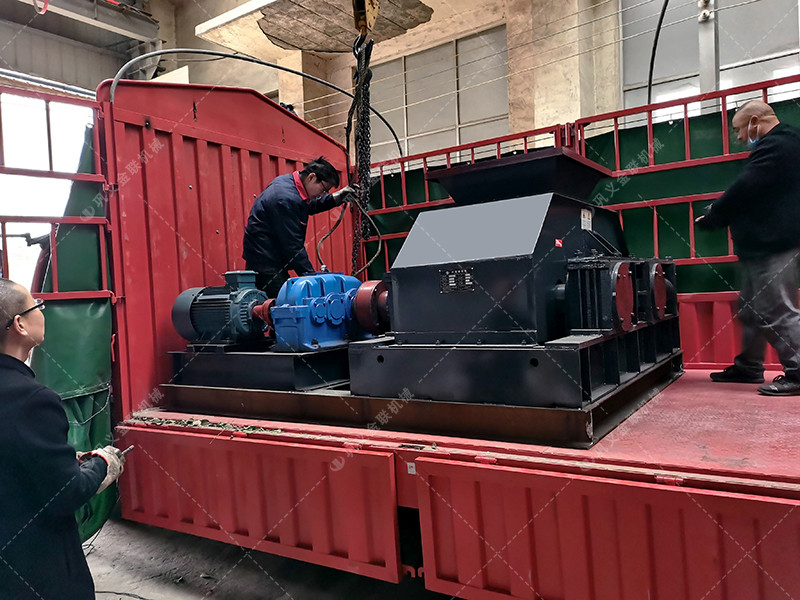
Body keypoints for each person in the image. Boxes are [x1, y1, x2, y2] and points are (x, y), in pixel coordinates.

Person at [0, 278, 125, 600]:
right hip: (33, 574)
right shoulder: (32, 400)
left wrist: (62, 461)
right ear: (19, 325)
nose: (43, 312)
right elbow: (66, 494)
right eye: (37, 306)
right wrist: (102, 463)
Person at [696, 100, 800, 396]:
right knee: (752, 309)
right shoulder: (782, 144)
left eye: (739, 129)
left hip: (773, 244)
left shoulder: (779, 145)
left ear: (755, 121)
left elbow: (746, 186)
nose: (741, 137)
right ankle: (749, 366)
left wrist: (716, 213)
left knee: (777, 308)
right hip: (762, 245)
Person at [242, 157, 358, 298]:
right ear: (311, 177)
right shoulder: (284, 199)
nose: (322, 194)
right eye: (323, 190)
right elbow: (293, 247)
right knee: (285, 303)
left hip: (268, 259)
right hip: (266, 265)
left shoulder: (289, 183)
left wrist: (335, 199)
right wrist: (312, 279)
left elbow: (307, 205)